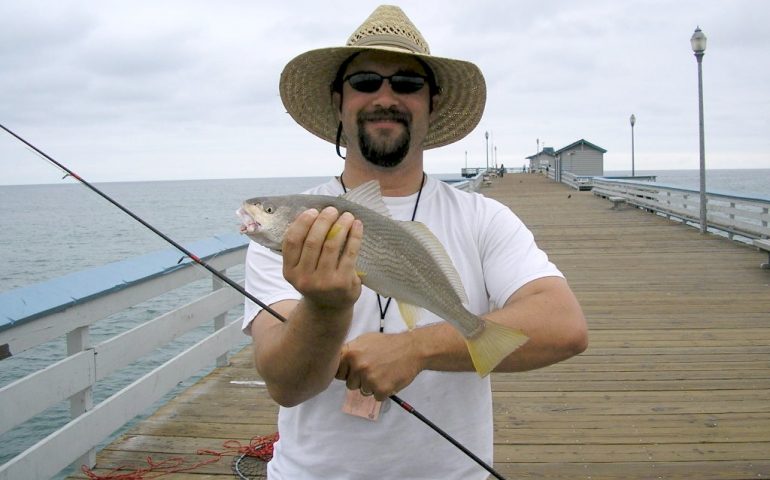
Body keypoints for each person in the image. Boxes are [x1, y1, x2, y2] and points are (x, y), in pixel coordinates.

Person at [243, 5, 587, 479]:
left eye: (406, 84)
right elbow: (285, 384)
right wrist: (323, 308)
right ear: (338, 100)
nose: (385, 97)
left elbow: (565, 326)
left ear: (433, 103)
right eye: (365, 82)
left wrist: (417, 348)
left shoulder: (485, 218)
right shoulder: (301, 229)